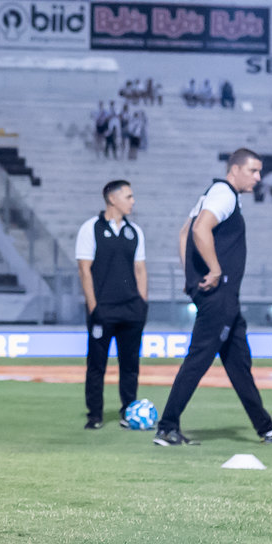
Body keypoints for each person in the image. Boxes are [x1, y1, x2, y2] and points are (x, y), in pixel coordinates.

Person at [153, 149, 272, 448]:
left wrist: (190, 278)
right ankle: (167, 427)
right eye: (254, 171)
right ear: (234, 169)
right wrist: (214, 268)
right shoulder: (225, 194)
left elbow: (184, 232)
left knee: (238, 364)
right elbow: (198, 229)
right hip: (219, 295)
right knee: (198, 359)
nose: (259, 178)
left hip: (223, 298)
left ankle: (267, 429)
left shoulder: (213, 193)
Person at [75, 178, 148, 429]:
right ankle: (95, 415)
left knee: (131, 366)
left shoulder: (134, 231)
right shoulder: (90, 228)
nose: (133, 201)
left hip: (131, 310)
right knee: (97, 365)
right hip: (103, 309)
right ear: (112, 199)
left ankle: (129, 412)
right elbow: (84, 270)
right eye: (128, 196)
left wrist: (142, 303)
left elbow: (140, 269)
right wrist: (94, 307)